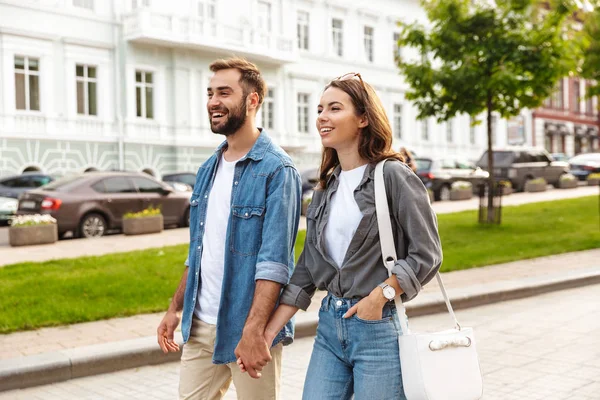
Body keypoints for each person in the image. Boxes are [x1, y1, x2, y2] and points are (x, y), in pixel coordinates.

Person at [239, 73, 442, 399]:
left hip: (378, 328)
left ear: (363, 118)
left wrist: (381, 297)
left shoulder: (392, 176)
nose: (322, 117)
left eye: (334, 108)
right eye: (320, 109)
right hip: (330, 327)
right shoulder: (324, 188)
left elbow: (427, 253)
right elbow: (307, 270)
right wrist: (268, 332)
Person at [157, 57, 302, 400]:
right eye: (210, 93)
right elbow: (199, 249)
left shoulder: (278, 170)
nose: (212, 102)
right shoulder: (209, 168)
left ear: (252, 101)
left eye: (224, 92)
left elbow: (275, 262)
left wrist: (254, 331)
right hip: (200, 325)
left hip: (247, 330)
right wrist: (175, 308)